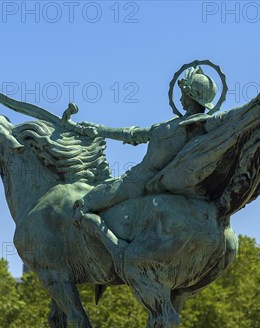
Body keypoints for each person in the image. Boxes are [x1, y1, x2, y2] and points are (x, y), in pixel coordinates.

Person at [73, 66, 218, 255]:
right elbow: (134, 134)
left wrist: (99, 130)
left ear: (190, 96)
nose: (181, 98)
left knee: (82, 206)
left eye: (184, 93)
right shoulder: (205, 130)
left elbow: (135, 135)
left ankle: (116, 251)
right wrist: (98, 130)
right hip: (170, 184)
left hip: (137, 181)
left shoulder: (173, 127)